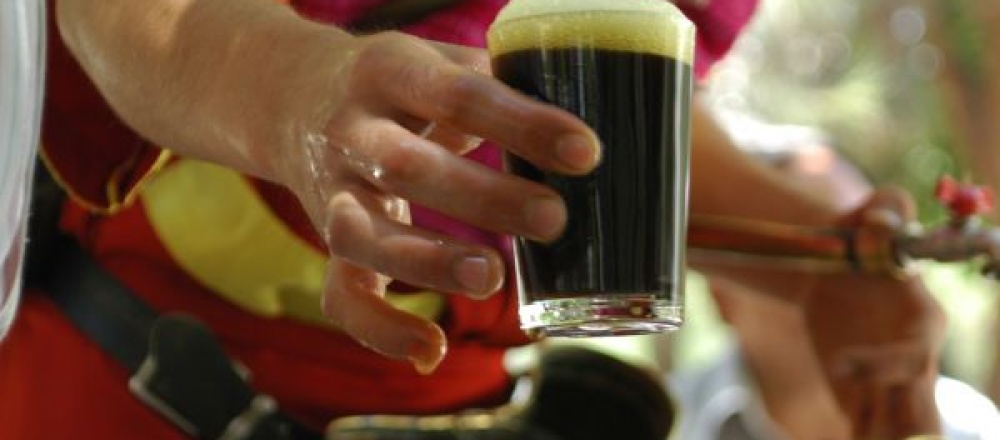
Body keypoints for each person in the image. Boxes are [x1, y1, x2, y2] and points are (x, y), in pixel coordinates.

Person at [0, 0, 936, 438]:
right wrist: (285, 92)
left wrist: (824, 261)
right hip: (151, 380)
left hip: (472, 399)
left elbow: (602, 105)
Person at [670, 134, 1000, 439]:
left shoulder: (971, 427)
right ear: (722, 297)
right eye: (805, 252)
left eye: (869, 243)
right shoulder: (662, 422)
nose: (864, 287)